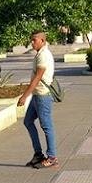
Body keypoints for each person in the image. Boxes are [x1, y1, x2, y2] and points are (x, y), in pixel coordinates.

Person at [18, 30, 58, 169]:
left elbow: (37, 78)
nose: (32, 42)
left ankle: (52, 156)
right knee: (28, 121)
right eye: (32, 40)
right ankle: (38, 154)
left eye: (35, 40)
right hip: (37, 95)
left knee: (46, 126)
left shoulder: (44, 55)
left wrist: (24, 96)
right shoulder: (39, 54)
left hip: (42, 96)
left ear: (42, 40)